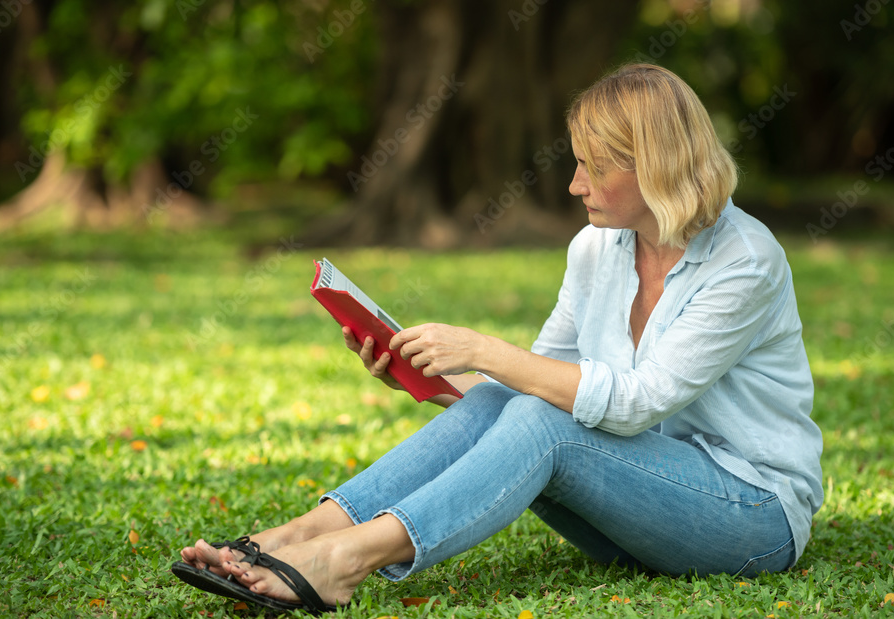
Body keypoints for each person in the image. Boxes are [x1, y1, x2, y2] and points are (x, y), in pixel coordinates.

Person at [173, 63, 824, 614]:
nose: (575, 184)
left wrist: (484, 348)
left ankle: (344, 560)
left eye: (593, 168)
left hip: (751, 513)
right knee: (505, 403)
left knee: (537, 411)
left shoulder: (745, 261)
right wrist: (421, 376)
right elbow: (530, 393)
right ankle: (295, 535)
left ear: (654, 167)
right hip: (639, 501)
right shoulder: (597, 248)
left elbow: (631, 402)